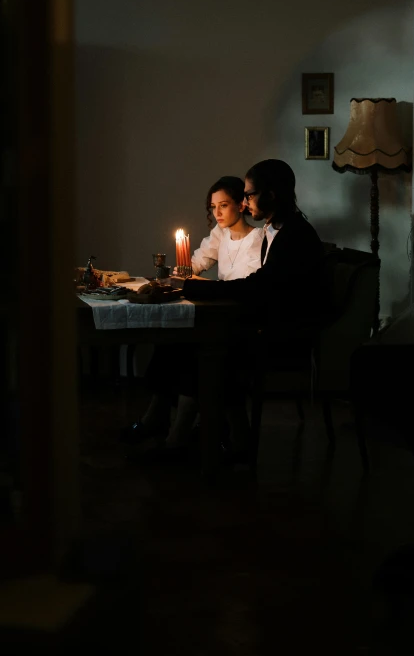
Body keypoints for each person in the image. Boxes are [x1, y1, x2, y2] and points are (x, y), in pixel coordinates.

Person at [124, 176, 263, 457]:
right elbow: (194, 263)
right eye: (213, 207)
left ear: (241, 204)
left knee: (191, 346)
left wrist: (198, 283)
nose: (218, 213)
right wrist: (181, 271)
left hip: (239, 322)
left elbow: (246, 288)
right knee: (171, 340)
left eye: (224, 205)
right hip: (218, 317)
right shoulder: (220, 235)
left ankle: (177, 435)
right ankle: (157, 415)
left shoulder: (257, 239)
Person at [182, 159, 324, 325]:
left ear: (270, 196)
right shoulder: (275, 229)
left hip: (284, 332)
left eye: (249, 195)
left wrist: (194, 288)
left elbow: (256, 287)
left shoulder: (294, 235)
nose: (245, 202)